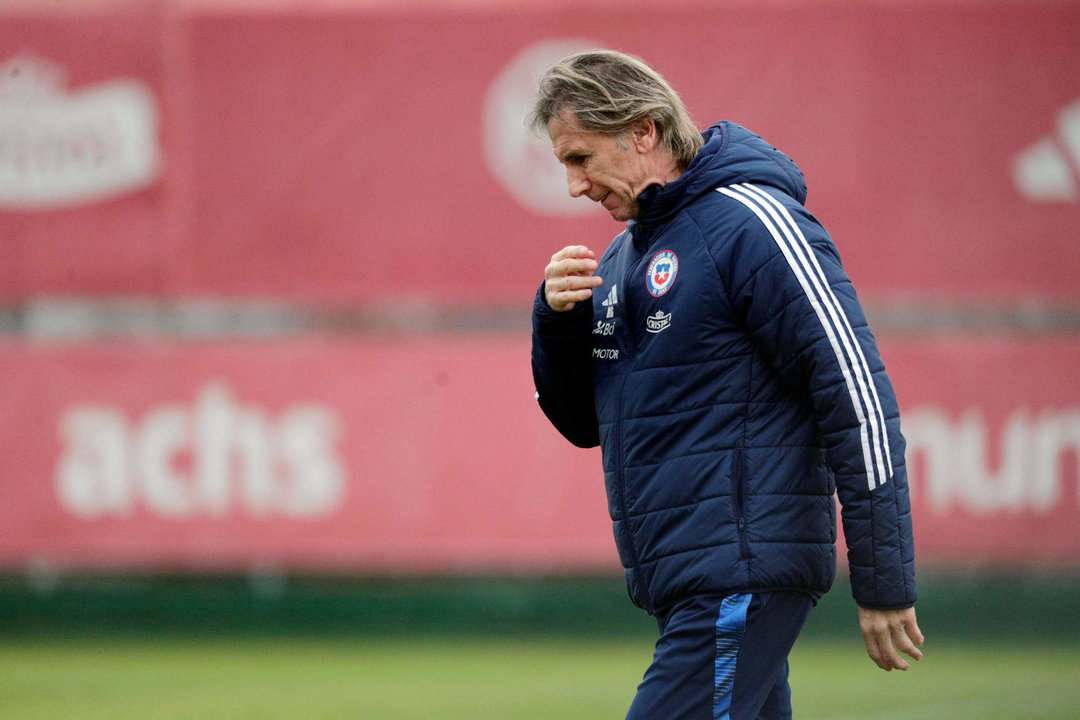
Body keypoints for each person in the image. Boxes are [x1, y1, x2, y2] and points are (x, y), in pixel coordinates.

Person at [528, 50, 923, 719]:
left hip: (738, 578)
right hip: (689, 580)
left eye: (581, 159)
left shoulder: (752, 222)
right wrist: (556, 321)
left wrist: (883, 580)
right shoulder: (629, 254)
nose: (573, 187)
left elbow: (855, 393)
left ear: (644, 131)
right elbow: (584, 424)